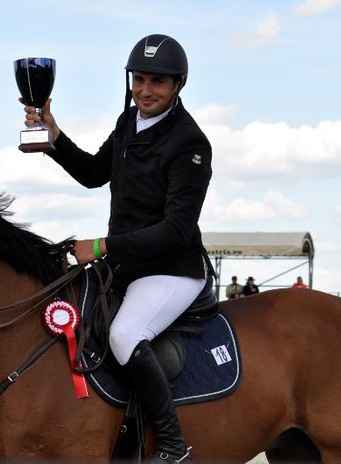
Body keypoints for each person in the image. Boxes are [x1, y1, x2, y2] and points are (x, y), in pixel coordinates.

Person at [22, 34, 213, 464]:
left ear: (178, 85)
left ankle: (172, 444)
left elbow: (177, 230)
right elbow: (93, 173)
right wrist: (52, 137)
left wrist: (104, 245)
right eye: (139, 80)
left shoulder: (190, 143)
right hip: (126, 265)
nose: (145, 90)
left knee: (124, 335)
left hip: (171, 269)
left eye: (157, 83)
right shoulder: (129, 122)